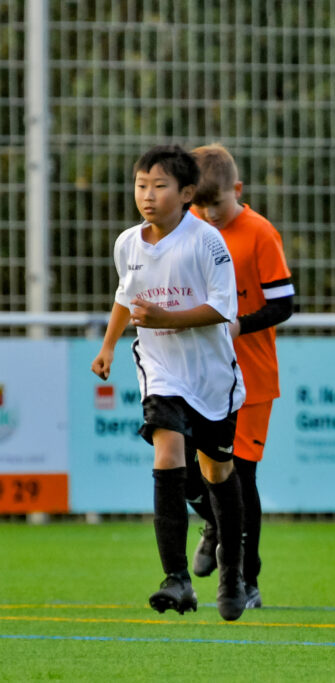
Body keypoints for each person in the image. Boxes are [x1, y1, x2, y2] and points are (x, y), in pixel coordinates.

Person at [91, 144, 248, 621]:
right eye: (141, 185)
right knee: (167, 451)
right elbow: (126, 296)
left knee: (218, 471)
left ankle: (232, 572)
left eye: (159, 186)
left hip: (211, 375)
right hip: (160, 369)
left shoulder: (207, 242)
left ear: (186, 194)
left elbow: (223, 308)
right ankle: (176, 578)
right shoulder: (128, 243)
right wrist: (108, 346)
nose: (147, 195)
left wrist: (166, 317)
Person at [186, 143, 296, 610]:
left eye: (217, 204)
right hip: (196, 375)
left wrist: (239, 324)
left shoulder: (259, 233)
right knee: (186, 474)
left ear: (238, 189)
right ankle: (215, 523)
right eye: (200, 205)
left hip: (250, 377)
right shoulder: (186, 228)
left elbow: (283, 304)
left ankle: (247, 579)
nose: (210, 214)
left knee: (240, 478)